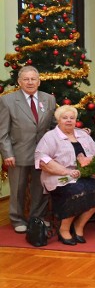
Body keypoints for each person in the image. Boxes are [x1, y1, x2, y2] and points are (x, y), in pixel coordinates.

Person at [34, 105, 95, 245]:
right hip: (59, 176)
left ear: (76, 120)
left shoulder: (83, 134)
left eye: (72, 118)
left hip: (85, 174)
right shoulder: (50, 137)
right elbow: (43, 160)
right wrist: (66, 171)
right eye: (65, 118)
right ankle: (64, 229)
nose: (69, 120)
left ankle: (79, 226)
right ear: (58, 120)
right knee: (77, 190)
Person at [0, 66, 56, 233]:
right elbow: (2, 131)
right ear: (19, 82)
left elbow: (54, 126)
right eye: (26, 79)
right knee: (18, 188)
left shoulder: (49, 99)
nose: (30, 82)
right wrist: (7, 154)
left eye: (33, 79)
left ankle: (36, 217)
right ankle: (17, 219)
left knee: (40, 187)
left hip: (42, 154)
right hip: (18, 153)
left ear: (39, 81)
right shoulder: (7, 100)